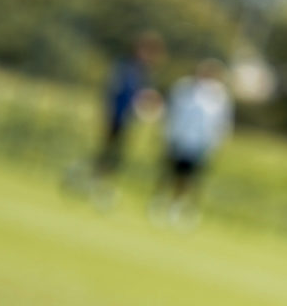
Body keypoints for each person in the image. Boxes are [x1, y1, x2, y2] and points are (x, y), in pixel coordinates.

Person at [77, 31, 163, 202]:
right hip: (114, 116)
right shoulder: (125, 67)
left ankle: (97, 182)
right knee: (107, 151)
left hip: (126, 120)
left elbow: (141, 98)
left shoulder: (143, 73)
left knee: (115, 155)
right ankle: (91, 180)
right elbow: (112, 91)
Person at [153, 58, 232, 224]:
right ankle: (158, 203)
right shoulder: (184, 87)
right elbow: (171, 112)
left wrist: (214, 144)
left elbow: (221, 122)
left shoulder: (218, 96)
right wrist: (166, 134)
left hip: (199, 144)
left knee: (189, 179)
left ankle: (177, 207)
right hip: (178, 138)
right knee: (168, 173)